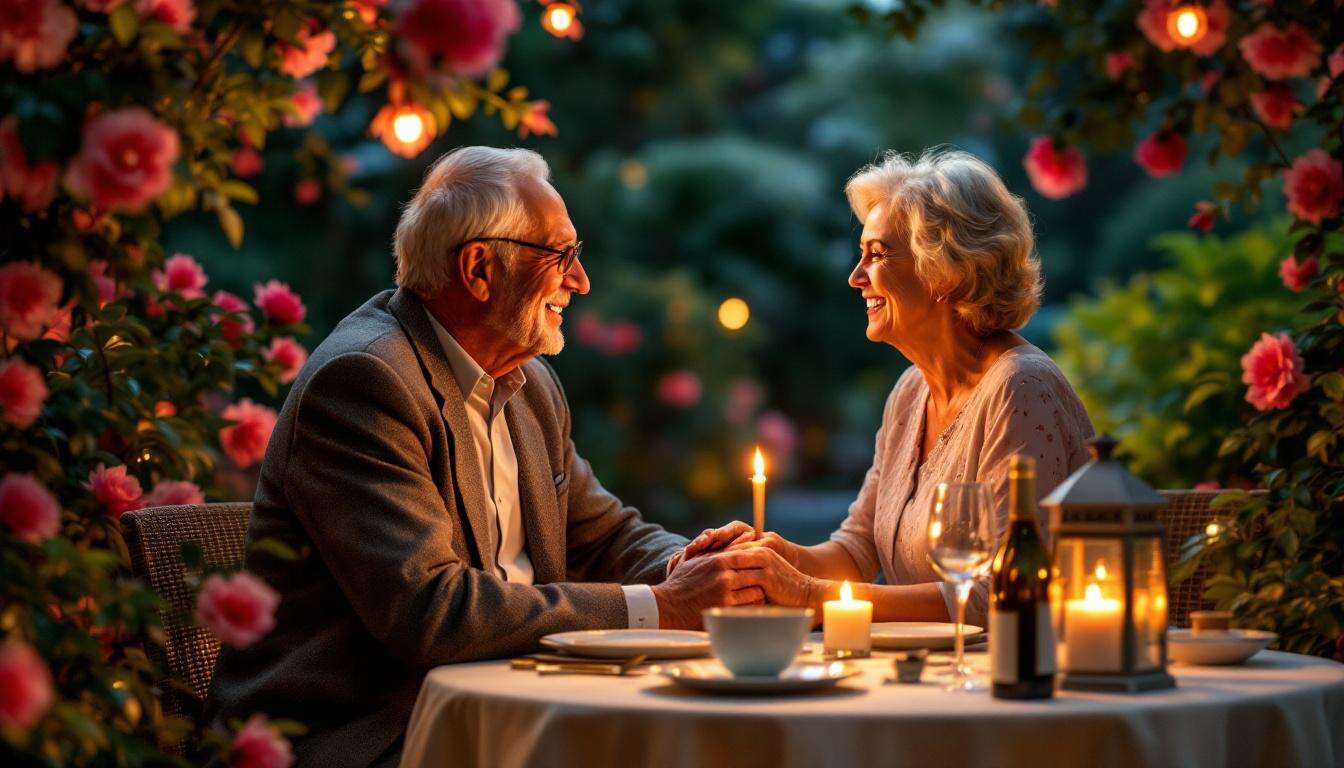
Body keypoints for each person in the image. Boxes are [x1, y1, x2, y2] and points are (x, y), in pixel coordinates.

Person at [207, 146, 769, 768]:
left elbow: (602, 535)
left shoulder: (531, 384)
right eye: (562, 256)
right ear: (479, 268)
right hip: (367, 733)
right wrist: (665, 606)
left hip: (510, 708)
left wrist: (704, 568)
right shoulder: (365, 382)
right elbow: (431, 612)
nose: (580, 280)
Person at [683, 149, 1095, 628]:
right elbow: (858, 549)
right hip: (928, 676)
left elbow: (1001, 595)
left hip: (1015, 682)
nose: (856, 277)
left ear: (945, 271)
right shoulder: (910, 391)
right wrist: (771, 558)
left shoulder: (1019, 389)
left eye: (876, 255)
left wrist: (809, 596)